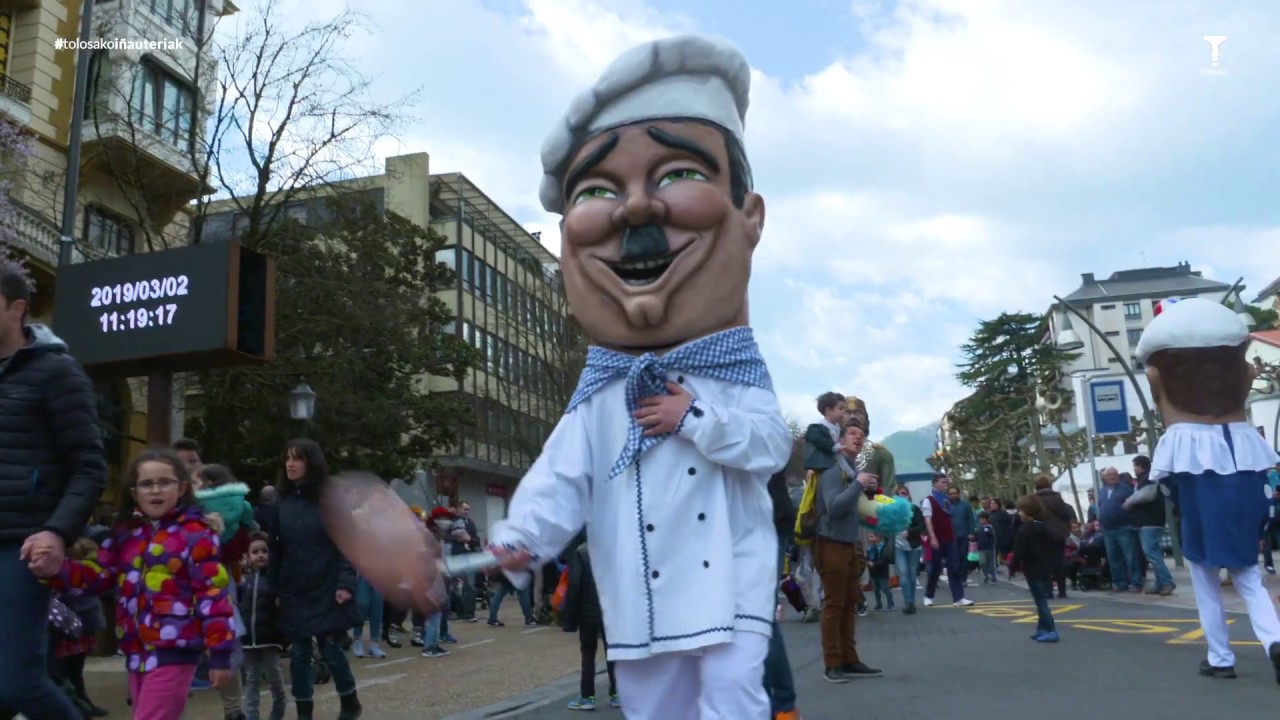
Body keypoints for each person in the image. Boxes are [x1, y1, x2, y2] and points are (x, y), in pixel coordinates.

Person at [488, 35, 792, 719]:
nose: (635, 210)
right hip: (638, 597)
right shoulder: (602, 392)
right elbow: (561, 477)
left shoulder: (733, 368)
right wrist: (520, 538)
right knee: (652, 708)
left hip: (731, 586)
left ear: (750, 220)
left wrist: (693, 418)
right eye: (598, 190)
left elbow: (770, 446)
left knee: (734, 696)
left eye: (678, 173)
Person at [1135, 298, 1280, 683]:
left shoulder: (1179, 440)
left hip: (1201, 497)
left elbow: (1158, 484)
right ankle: (1275, 642)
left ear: (1155, 379)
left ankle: (1220, 658)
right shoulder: (1251, 439)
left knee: (1206, 582)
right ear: (1246, 375)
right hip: (1248, 488)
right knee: (1250, 577)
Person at [48, 448, 236, 718]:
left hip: (175, 652)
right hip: (136, 653)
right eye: (147, 484)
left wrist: (220, 654)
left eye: (164, 482)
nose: (155, 490)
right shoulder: (126, 534)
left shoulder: (197, 535)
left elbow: (214, 596)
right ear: (134, 492)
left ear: (181, 488)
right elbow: (98, 576)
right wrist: (54, 569)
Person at [0, 262, 108, 719]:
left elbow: (89, 465)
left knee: (18, 683)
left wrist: (56, 532)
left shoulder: (56, 372)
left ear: (17, 308)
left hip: (20, 545)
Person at [269, 439, 362, 719]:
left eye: (297, 458)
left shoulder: (330, 501)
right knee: (298, 653)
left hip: (327, 584)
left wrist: (345, 583)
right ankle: (304, 712)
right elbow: (276, 549)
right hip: (294, 586)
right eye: (287, 458)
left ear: (311, 463)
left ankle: (349, 701)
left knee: (330, 647)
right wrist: (273, 586)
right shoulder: (281, 502)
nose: (290, 464)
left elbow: (347, 545)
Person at [814, 423, 883, 683]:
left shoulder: (851, 469)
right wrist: (858, 485)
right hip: (830, 542)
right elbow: (833, 507)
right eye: (852, 434)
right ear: (840, 440)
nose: (859, 438)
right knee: (834, 604)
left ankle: (850, 660)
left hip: (849, 542)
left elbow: (855, 508)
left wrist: (868, 491)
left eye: (862, 435)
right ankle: (832, 664)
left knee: (849, 603)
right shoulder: (833, 468)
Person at [561, 540, 621, 711]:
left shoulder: (581, 552)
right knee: (613, 652)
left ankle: (588, 696)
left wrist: (570, 619)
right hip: (611, 610)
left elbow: (575, 585)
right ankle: (617, 693)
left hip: (588, 610)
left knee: (588, 654)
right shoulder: (614, 549)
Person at [239, 532, 286, 720]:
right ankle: (252, 717)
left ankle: (277, 713)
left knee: (275, 680)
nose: (260, 555)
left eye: (264, 551)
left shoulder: (275, 579)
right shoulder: (242, 580)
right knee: (251, 680)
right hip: (248, 639)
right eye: (255, 551)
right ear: (247, 556)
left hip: (270, 639)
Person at [1012, 494, 1060, 643]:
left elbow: (1019, 549)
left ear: (1027, 511)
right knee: (1041, 599)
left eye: (1021, 510)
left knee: (1040, 601)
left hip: (1032, 567)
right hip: (1045, 567)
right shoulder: (1044, 527)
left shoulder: (1025, 529)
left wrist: (1013, 566)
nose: (1019, 513)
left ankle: (1051, 630)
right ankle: (1042, 628)